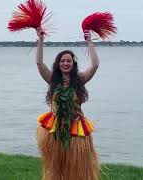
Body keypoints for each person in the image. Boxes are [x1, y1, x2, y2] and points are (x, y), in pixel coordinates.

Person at [36, 28, 99, 180]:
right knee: (56, 166)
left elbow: (95, 65)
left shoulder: (80, 79)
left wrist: (89, 41)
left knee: (78, 168)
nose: (65, 63)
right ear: (58, 64)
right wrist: (41, 40)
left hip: (76, 129)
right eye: (62, 61)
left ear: (73, 63)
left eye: (68, 61)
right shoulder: (53, 79)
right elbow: (39, 63)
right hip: (56, 129)